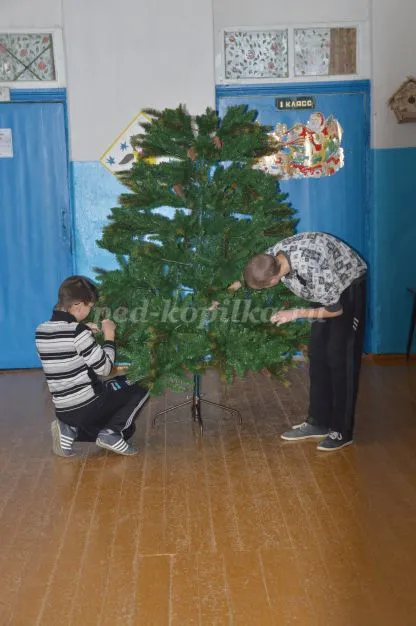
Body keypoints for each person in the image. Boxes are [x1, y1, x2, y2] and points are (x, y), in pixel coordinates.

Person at [231, 232, 367, 451]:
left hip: (346, 286)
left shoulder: (310, 269)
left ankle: (343, 431)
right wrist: (225, 292)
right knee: (319, 356)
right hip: (324, 288)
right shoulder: (271, 259)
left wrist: (295, 313)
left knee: (340, 359)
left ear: (274, 280)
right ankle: (319, 422)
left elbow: (335, 309)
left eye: (267, 287)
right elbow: (251, 276)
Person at [36, 276, 149, 457]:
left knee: (128, 431)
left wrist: (84, 331)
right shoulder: (77, 332)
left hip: (63, 409)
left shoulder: (41, 330)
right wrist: (109, 336)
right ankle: (111, 433)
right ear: (78, 305)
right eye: (90, 307)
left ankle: (68, 428)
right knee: (144, 381)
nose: (90, 311)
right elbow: (104, 368)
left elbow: (61, 354)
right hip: (88, 407)